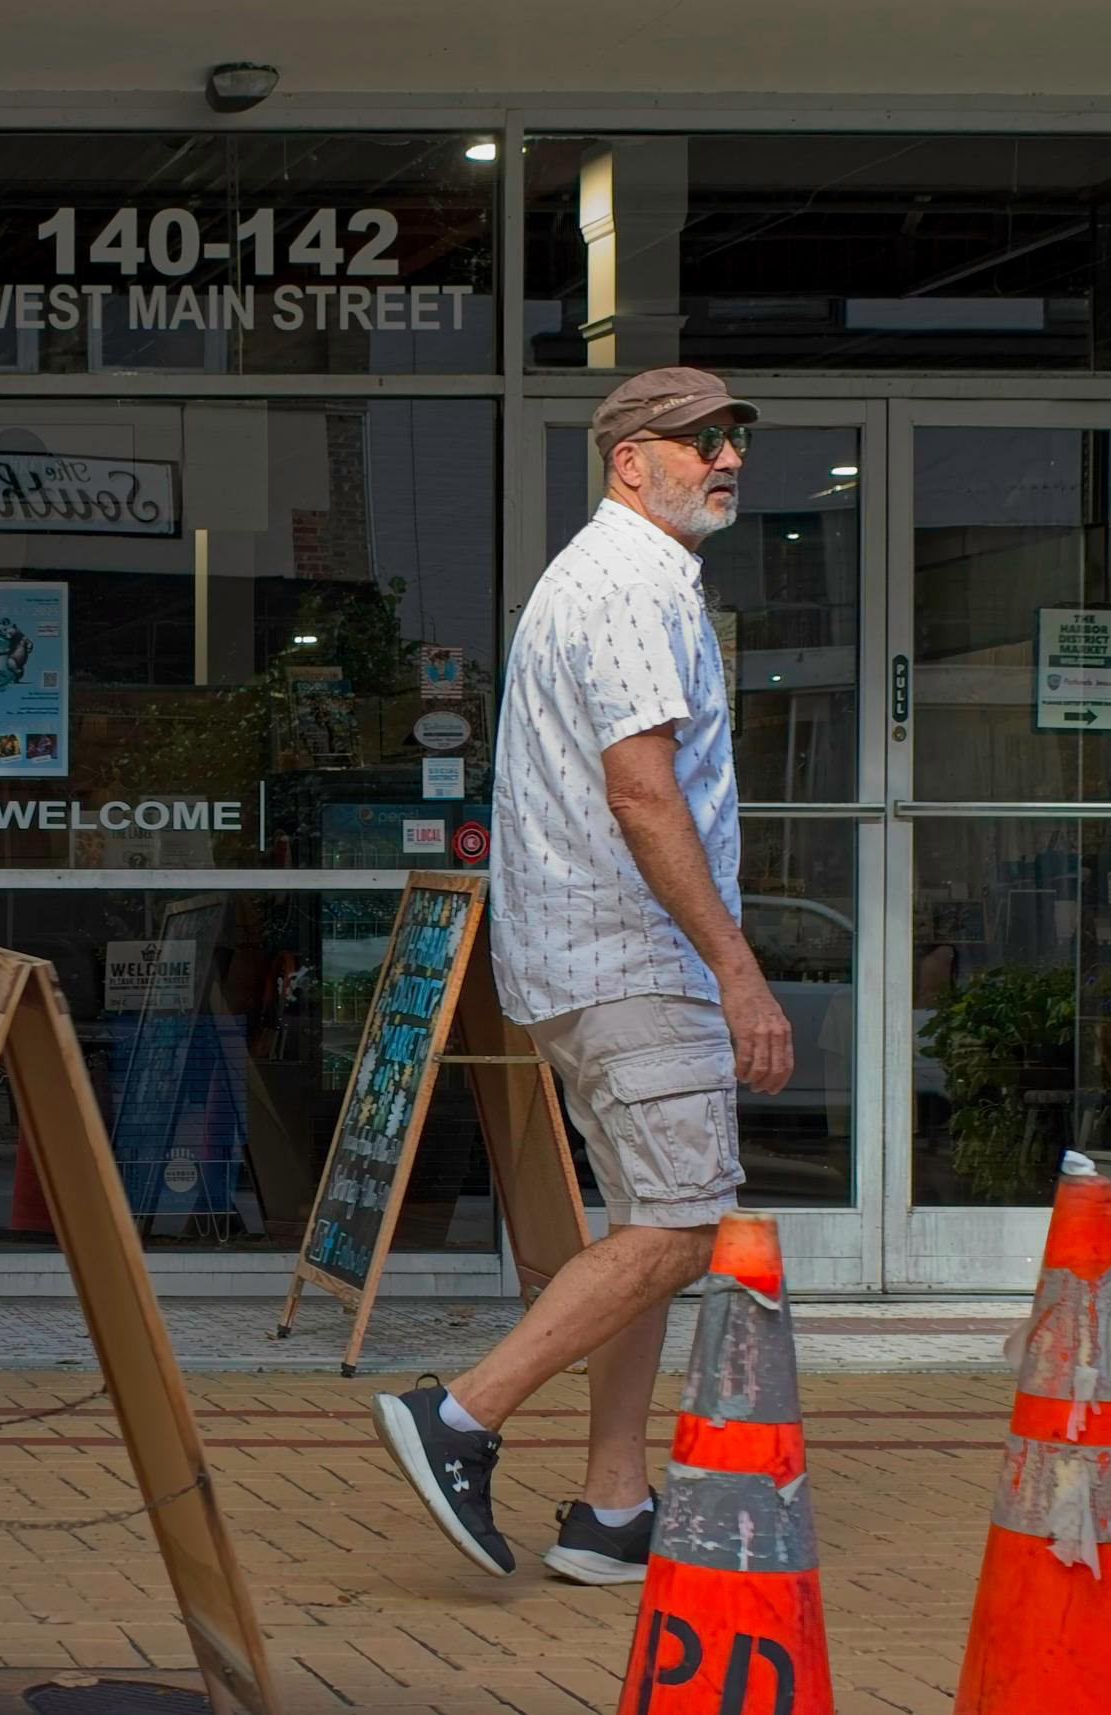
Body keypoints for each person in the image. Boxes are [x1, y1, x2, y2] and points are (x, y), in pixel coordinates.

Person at [369, 368, 793, 1585]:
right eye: (699, 440)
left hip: (590, 957)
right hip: (634, 957)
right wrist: (738, 969)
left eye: (733, 438)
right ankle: (460, 1414)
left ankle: (612, 1505)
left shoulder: (614, 576)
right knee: (688, 1225)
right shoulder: (628, 582)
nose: (727, 457)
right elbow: (641, 793)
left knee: (646, 1221)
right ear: (629, 460)